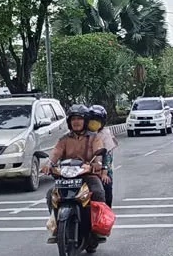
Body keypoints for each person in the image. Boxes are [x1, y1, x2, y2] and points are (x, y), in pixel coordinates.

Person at [42, 105, 108, 244]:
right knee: (50, 195)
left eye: (79, 118)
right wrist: (48, 164)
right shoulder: (64, 139)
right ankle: (57, 228)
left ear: (85, 121)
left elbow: (99, 153)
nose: (76, 122)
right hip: (66, 176)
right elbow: (55, 154)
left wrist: (97, 163)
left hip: (87, 175)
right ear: (69, 122)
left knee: (98, 191)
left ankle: (97, 228)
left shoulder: (94, 138)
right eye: (73, 119)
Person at [85, 105, 117, 206]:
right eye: (92, 119)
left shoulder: (105, 134)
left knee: (106, 185)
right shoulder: (81, 133)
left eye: (97, 120)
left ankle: (106, 212)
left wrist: (104, 173)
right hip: (84, 168)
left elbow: (108, 156)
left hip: (103, 168)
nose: (94, 122)